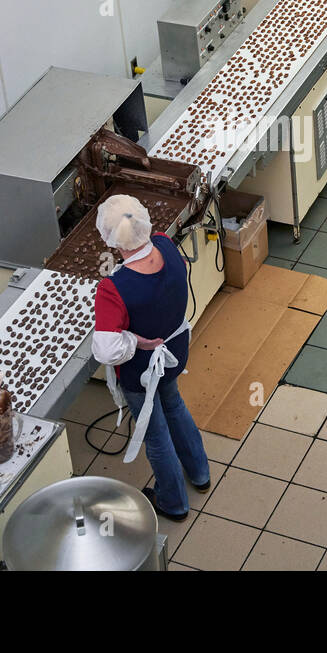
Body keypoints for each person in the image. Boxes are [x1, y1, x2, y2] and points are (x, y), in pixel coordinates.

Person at [91, 194, 210, 522]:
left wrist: (135, 341)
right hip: (174, 353)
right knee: (174, 404)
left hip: (143, 369)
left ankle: (173, 503)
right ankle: (199, 473)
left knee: (155, 431)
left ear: (110, 238)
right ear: (144, 224)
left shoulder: (113, 289)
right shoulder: (166, 246)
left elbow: (104, 349)